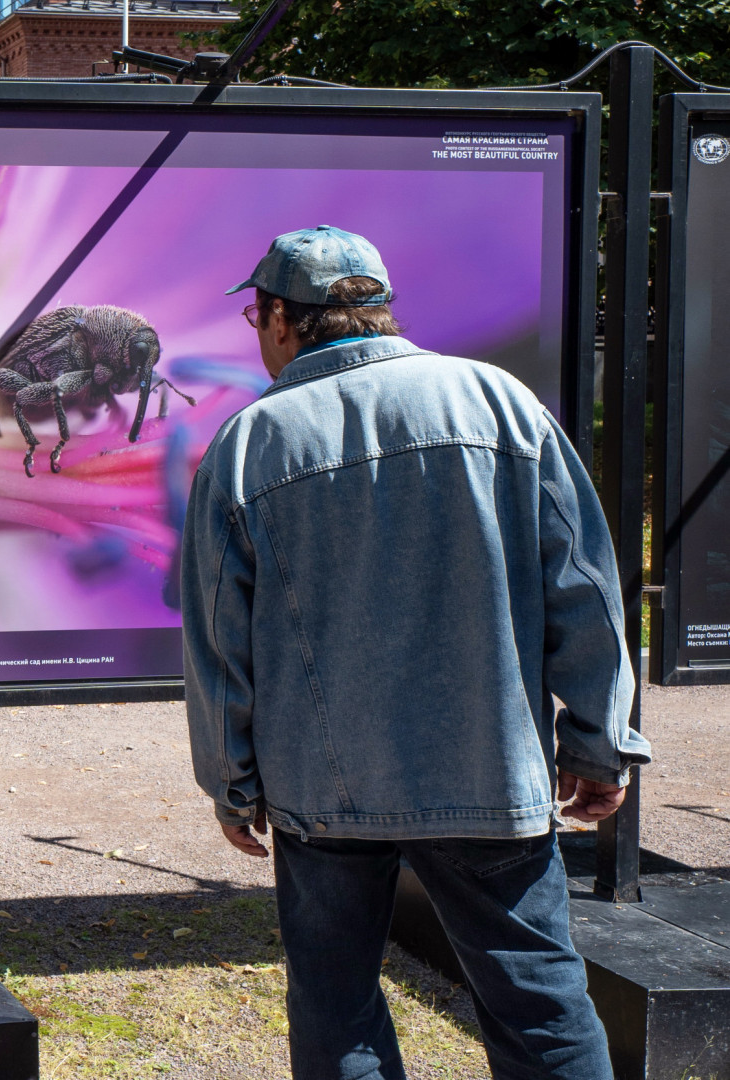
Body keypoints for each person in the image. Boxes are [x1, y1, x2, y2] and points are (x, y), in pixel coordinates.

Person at [181, 225, 651, 1080]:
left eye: (256, 316)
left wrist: (232, 779)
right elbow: (585, 586)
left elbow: (220, 637)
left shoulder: (250, 443)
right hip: (490, 774)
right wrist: (598, 740)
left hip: (324, 793)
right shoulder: (502, 404)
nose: (257, 335)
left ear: (286, 317)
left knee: (338, 1006)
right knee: (542, 1005)